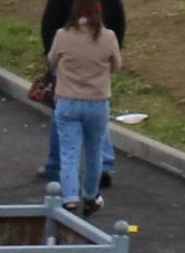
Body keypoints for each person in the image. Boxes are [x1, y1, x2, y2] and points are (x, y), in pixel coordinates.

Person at [37, 0, 125, 188]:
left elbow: (49, 24)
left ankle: (57, 169)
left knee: (62, 120)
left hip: (68, 65)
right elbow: (119, 21)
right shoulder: (108, 33)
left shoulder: (63, 31)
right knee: (98, 123)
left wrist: (53, 56)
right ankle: (104, 165)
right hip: (99, 66)